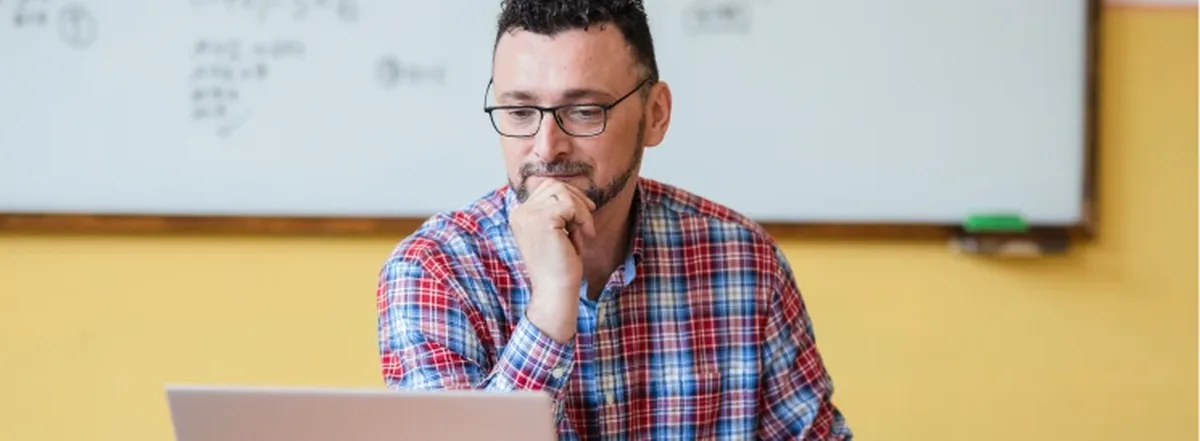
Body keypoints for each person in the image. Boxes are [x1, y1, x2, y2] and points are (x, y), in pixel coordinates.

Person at [374, 0, 852, 439]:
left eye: (584, 110)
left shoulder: (743, 260)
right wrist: (549, 311)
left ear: (656, 114)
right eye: (520, 111)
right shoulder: (433, 272)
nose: (546, 147)